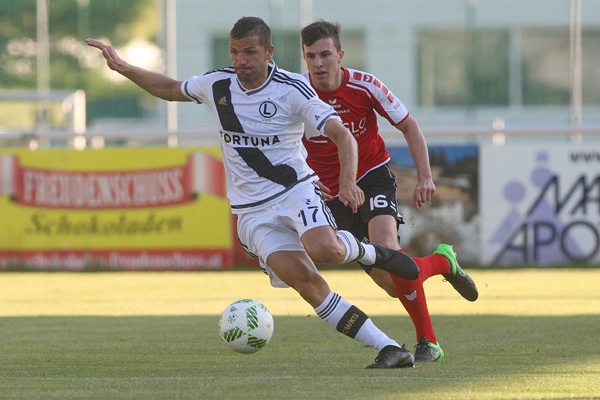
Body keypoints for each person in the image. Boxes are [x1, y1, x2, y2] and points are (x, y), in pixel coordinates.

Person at [86, 16, 421, 369]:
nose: (240, 60)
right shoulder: (217, 84)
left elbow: (342, 135)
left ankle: (373, 253)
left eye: (249, 52)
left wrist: (349, 181)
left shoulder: (293, 88)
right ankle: (389, 348)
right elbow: (170, 88)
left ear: (268, 52)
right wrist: (122, 67)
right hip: (252, 214)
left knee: (325, 249)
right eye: (234, 52)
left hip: (295, 192)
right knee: (307, 284)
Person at [300, 20, 479, 362]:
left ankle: (428, 343)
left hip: (371, 176)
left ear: (340, 55)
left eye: (325, 54)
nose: (318, 63)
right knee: (391, 285)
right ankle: (443, 262)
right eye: (311, 56)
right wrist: (307, 179)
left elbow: (409, 125)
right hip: (329, 194)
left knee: (387, 248)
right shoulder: (297, 93)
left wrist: (426, 176)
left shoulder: (366, 86)